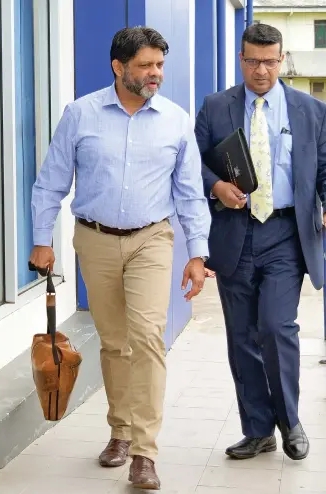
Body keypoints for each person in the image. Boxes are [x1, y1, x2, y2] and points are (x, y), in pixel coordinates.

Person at [30, 26, 211, 490]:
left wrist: (198, 253)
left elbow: (190, 194)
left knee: (147, 337)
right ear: (118, 67)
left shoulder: (175, 120)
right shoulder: (80, 114)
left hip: (152, 238)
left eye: (160, 66)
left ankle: (145, 453)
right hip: (95, 238)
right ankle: (120, 432)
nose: (156, 74)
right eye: (146, 65)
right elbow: (52, 180)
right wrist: (41, 239)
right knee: (114, 343)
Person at [195, 23, 326, 462]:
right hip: (234, 233)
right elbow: (195, 165)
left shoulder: (309, 110)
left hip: (285, 234)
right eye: (252, 60)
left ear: (282, 60)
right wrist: (217, 187)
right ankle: (258, 430)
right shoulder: (215, 106)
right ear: (241, 59)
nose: (261, 70)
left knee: (277, 328)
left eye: (270, 61)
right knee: (241, 335)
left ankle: (291, 422)